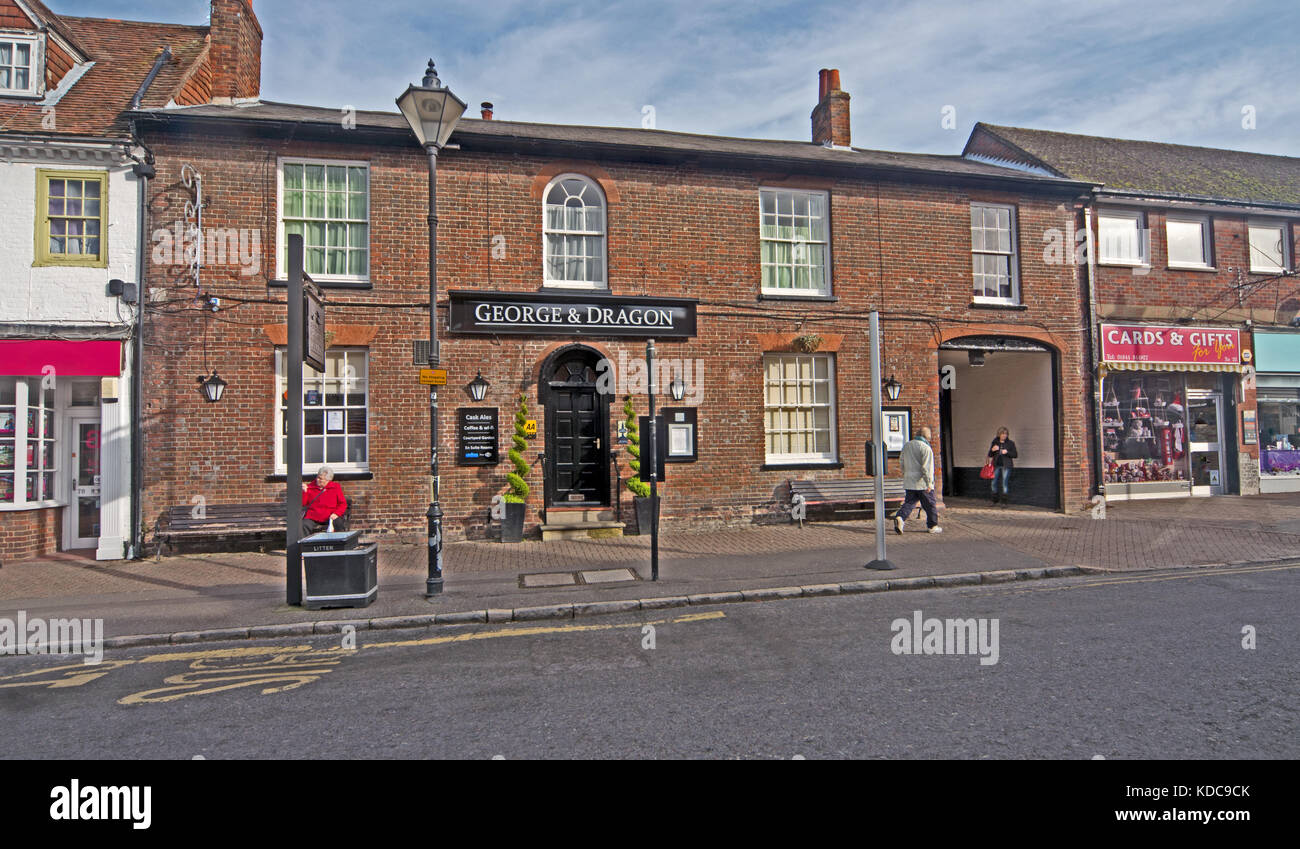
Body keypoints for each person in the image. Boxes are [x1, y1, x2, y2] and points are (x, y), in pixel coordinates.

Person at [894, 426, 942, 535]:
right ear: (927, 436)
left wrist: (905, 474)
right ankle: (932, 526)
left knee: (909, 503)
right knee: (930, 505)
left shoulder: (907, 445)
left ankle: (900, 517)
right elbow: (927, 468)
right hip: (922, 483)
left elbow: (901, 462)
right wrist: (929, 483)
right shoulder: (925, 448)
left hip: (909, 480)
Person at [301, 466, 347, 534]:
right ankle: (306, 543)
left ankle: (337, 543)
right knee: (303, 525)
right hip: (313, 516)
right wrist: (305, 492)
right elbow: (303, 503)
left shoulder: (335, 487)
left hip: (330, 516)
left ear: (328, 480)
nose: (318, 480)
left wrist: (336, 513)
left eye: (321, 479)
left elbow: (342, 504)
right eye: (318, 477)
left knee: (338, 523)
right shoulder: (310, 487)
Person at [988, 427, 1018, 506]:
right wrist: (992, 450)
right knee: (993, 483)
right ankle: (994, 501)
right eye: (1002, 434)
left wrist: (1007, 452)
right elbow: (990, 455)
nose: (1004, 435)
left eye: (1006, 434)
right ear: (999, 434)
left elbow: (1015, 455)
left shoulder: (1010, 443)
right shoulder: (995, 442)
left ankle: (1004, 502)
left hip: (1006, 466)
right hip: (996, 465)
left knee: (1004, 483)